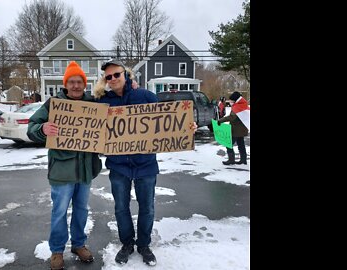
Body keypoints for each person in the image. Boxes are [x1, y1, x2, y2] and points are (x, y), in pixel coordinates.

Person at [93, 59, 197, 266]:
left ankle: (144, 245)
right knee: (121, 208)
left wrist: (187, 126)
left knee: (147, 208)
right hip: (118, 166)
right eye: (108, 77)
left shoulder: (145, 96)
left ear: (126, 75)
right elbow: (90, 127)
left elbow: (168, 121)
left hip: (145, 165)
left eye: (117, 75)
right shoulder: (102, 103)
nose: (113, 79)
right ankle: (127, 244)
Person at [27, 61, 102, 270]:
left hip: (86, 170)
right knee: (59, 212)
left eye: (79, 81)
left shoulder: (93, 104)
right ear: (65, 84)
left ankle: (78, 244)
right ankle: (57, 250)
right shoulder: (53, 104)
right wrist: (42, 128)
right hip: (61, 170)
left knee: (81, 210)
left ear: (85, 84)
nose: (76, 85)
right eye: (72, 82)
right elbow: (31, 127)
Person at [217, 91, 249, 165]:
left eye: (231, 100)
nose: (230, 102)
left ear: (235, 100)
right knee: (241, 144)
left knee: (229, 144)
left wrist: (221, 120)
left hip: (236, 129)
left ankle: (231, 160)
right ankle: (243, 160)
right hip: (242, 129)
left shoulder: (238, 106)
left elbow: (232, 117)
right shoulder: (243, 105)